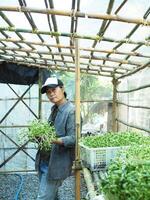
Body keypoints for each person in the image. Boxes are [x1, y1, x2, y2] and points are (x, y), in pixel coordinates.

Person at [35, 77, 76, 200]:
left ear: (62, 89)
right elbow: (49, 132)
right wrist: (39, 136)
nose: (51, 94)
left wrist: (52, 139)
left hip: (55, 163)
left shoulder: (71, 111)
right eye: (48, 92)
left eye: (54, 90)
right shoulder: (55, 109)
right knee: (52, 196)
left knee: (43, 197)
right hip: (45, 159)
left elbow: (74, 139)